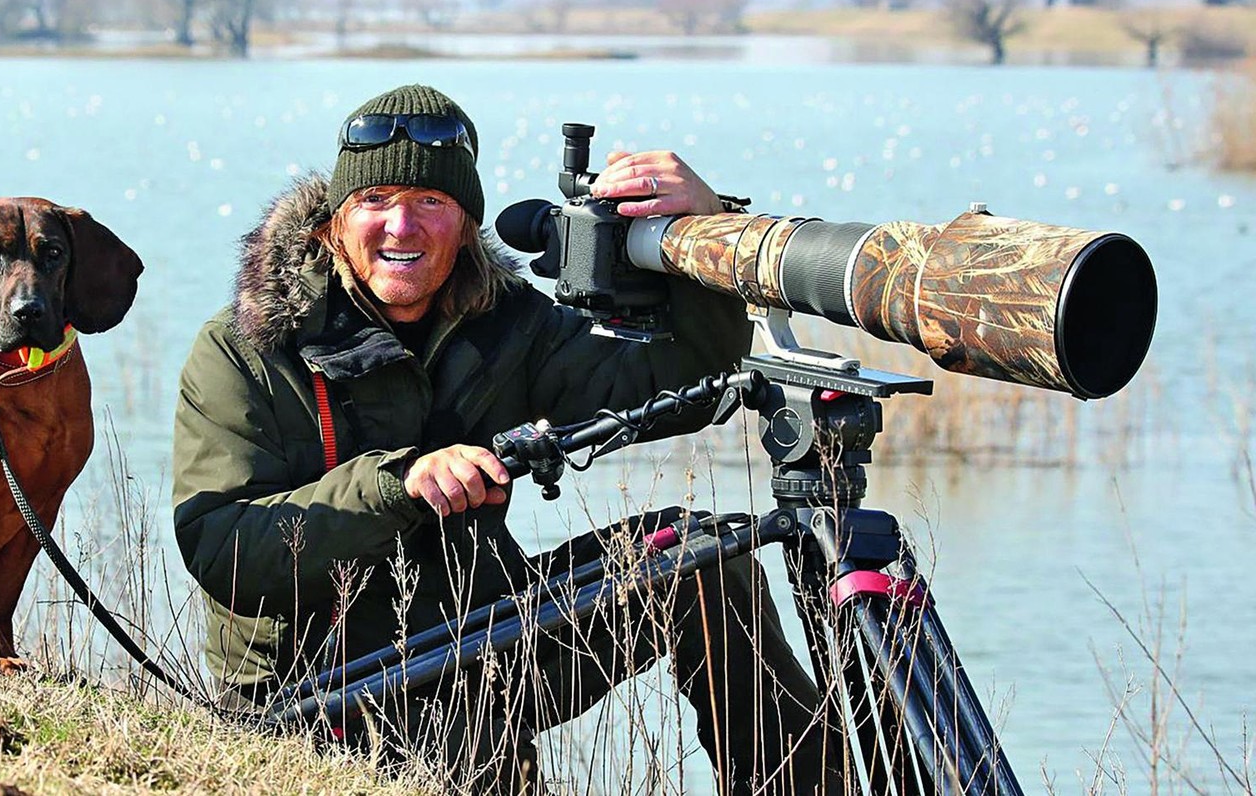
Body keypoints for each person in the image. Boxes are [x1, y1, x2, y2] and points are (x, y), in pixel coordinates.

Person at [172, 84, 844, 794]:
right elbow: (222, 548)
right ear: (332, 226)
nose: (402, 226)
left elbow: (680, 385)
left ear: (465, 224)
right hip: (320, 696)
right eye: (376, 201)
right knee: (483, 759)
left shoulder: (505, 320)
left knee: (701, 561)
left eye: (432, 203)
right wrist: (398, 484)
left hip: (482, 650)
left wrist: (707, 228)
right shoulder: (243, 348)